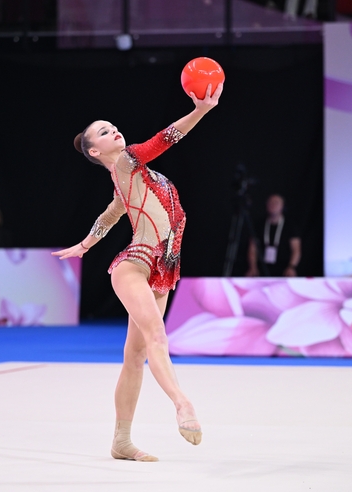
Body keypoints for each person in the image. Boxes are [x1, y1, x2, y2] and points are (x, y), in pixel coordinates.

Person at [52, 82, 223, 462]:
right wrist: (201, 110)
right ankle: (182, 404)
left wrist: (83, 246)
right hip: (136, 264)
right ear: (96, 151)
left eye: (111, 125)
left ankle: (121, 441)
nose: (113, 129)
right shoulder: (129, 160)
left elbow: (111, 214)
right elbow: (164, 139)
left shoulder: (125, 178)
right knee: (156, 334)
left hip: (163, 267)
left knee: (135, 356)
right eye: (103, 131)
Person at [247, 194, 301, 277]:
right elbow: (252, 248)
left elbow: (296, 250)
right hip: (263, 267)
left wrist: (291, 267)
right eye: (270, 203)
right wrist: (253, 267)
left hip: (284, 268)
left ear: (282, 206)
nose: (273, 205)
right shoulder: (259, 224)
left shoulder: (290, 225)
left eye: (276, 203)